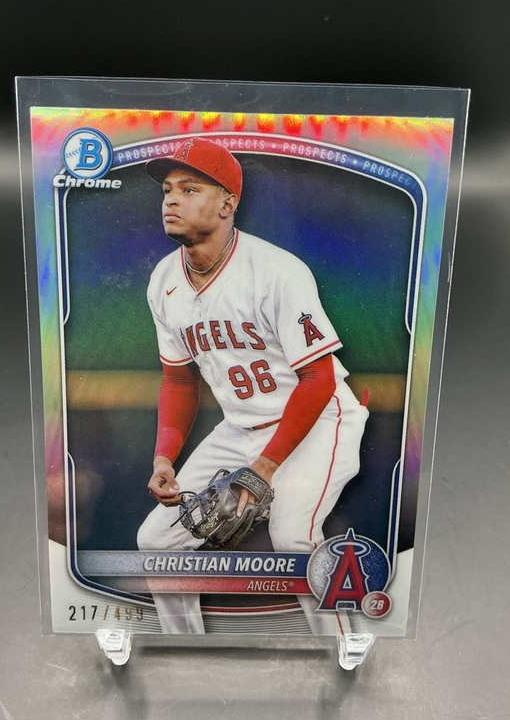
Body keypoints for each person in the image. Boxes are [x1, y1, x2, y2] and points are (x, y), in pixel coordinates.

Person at [136, 137, 368, 634]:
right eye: (167, 190)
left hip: (320, 419)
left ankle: (339, 646)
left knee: (293, 538)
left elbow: (318, 377)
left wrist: (263, 468)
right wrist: (163, 458)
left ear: (227, 204)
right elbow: (179, 379)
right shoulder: (163, 282)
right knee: (157, 542)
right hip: (241, 428)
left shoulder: (277, 272)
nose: (171, 200)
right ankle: (184, 649)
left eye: (189, 189)